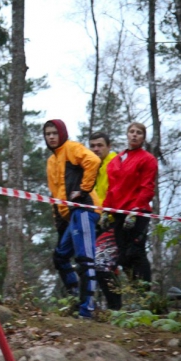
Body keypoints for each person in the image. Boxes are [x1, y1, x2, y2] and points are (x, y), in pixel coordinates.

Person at [44, 120, 102, 319]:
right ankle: (76, 298)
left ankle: (88, 309)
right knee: (60, 257)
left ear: (62, 133)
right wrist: (59, 221)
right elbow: (55, 193)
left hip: (85, 209)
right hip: (70, 216)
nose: (51, 136)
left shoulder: (72, 148)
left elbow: (93, 161)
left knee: (85, 259)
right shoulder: (52, 161)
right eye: (47, 134)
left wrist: (84, 190)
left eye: (54, 133)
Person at [102, 122, 157, 290]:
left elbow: (147, 187)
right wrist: (105, 210)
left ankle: (147, 296)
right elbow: (112, 189)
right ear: (127, 134)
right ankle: (136, 292)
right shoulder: (116, 160)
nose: (134, 135)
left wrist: (135, 211)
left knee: (136, 252)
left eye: (138, 132)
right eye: (131, 132)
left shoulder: (147, 159)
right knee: (123, 256)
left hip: (137, 213)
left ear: (143, 137)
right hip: (118, 213)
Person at [89, 132, 122, 310]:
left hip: (114, 220)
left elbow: (116, 191)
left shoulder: (115, 162)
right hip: (99, 221)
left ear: (109, 146)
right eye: (92, 145)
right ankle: (113, 307)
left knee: (102, 265)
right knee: (102, 266)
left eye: (100, 145)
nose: (96, 149)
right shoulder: (94, 166)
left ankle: (115, 307)